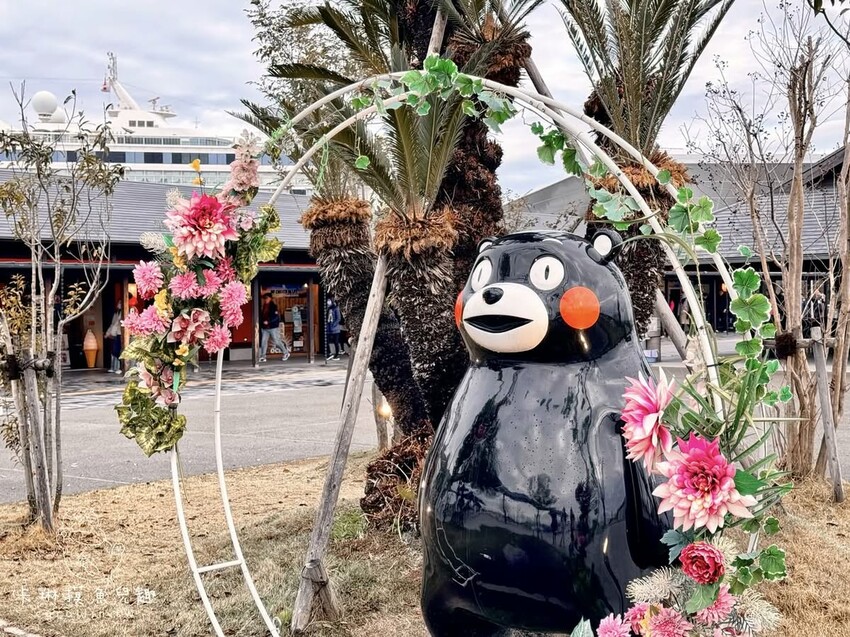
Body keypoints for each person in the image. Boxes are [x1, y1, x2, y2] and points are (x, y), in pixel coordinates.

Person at [259, 292, 290, 362]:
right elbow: (262, 316)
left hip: (273, 327)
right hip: (265, 327)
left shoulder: (273, 306)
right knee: (263, 341)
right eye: (265, 298)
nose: (265, 300)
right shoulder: (264, 306)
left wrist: (268, 321)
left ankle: (286, 352)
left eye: (266, 298)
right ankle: (263, 356)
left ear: (270, 298)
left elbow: (276, 317)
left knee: (277, 341)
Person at [105, 301, 123, 373]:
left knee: (119, 350)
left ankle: (120, 368)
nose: (118, 304)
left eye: (120, 303)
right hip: (115, 333)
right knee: (114, 350)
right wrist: (108, 333)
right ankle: (114, 367)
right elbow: (113, 324)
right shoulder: (116, 314)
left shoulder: (124, 312)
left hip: (120, 333)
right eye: (118, 303)